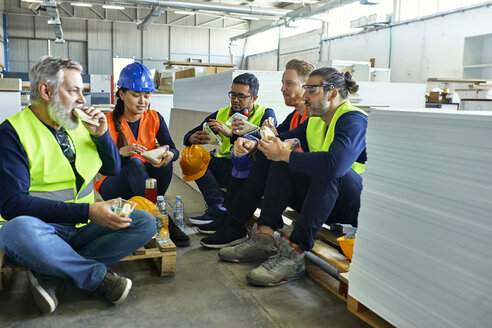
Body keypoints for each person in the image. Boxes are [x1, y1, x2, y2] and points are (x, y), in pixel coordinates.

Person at [0, 56, 156, 313]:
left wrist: (102, 136)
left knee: (143, 222)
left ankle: (50, 271)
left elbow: (113, 168)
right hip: (43, 230)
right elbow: (11, 204)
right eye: (74, 91)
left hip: (84, 227)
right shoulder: (12, 134)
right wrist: (88, 211)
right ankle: (96, 277)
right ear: (45, 90)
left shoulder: (76, 124)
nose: (82, 100)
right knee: (16, 230)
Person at [204, 67, 368, 287]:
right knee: (274, 154)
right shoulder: (316, 119)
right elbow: (283, 138)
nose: (305, 95)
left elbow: (334, 166)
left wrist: (285, 153)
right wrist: (255, 143)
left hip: (351, 205)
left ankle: (296, 251)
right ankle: (265, 234)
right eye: (306, 89)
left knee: (330, 170)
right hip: (321, 199)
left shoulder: (353, 120)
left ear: (331, 93)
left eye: (311, 90)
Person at [198, 59, 315, 237]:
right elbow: (276, 136)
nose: (283, 88)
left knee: (264, 160)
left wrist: (249, 138)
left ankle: (236, 223)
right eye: (282, 83)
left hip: (311, 187)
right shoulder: (294, 116)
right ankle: (229, 218)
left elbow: (280, 141)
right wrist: (251, 141)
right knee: (251, 157)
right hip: (293, 179)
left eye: (289, 83)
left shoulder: (311, 118)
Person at [94, 62, 189, 247]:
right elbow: (98, 162)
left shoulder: (154, 117)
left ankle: (152, 208)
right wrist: (121, 153)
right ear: (121, 94)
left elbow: (173, 149)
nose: (142, 101)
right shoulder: (105, 122)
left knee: (166, 161)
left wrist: (170, 155)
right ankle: (161, 218)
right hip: (113, 185)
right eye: (136, 95)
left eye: (147, 96)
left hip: (144, 185)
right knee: (134, 164)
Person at [183, 73, 277, 225]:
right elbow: (188, 135)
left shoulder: (266, 114)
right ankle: (217, 207)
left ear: (254, 98)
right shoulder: (221, 113)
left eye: (241, 96)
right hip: (224, 167)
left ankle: (222, 211)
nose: (235, 99)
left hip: (249, 173)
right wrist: (191, 138)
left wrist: (230, 134)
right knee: (189, 155)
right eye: (232, 94)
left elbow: (267, 139)